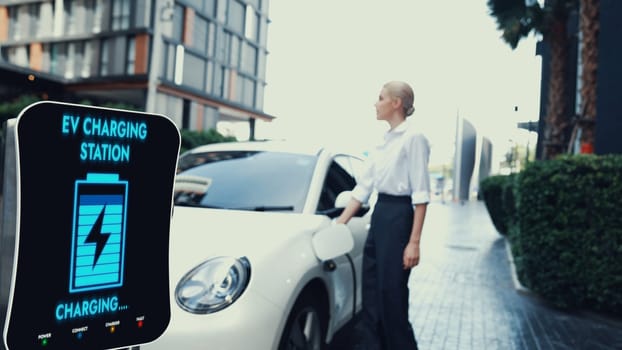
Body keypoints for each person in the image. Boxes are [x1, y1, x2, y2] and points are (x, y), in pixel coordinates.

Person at [336, 80, 430, 350]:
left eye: (380, 98)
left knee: (392, 297)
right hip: (380, 215)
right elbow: (363, 188)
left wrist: (414, 242)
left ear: (396, 103)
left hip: (399, 217)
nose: (375, 103)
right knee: (372, 295)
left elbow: (421, 195)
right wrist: (340, 222)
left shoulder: (414, 138)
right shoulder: (382, 142)